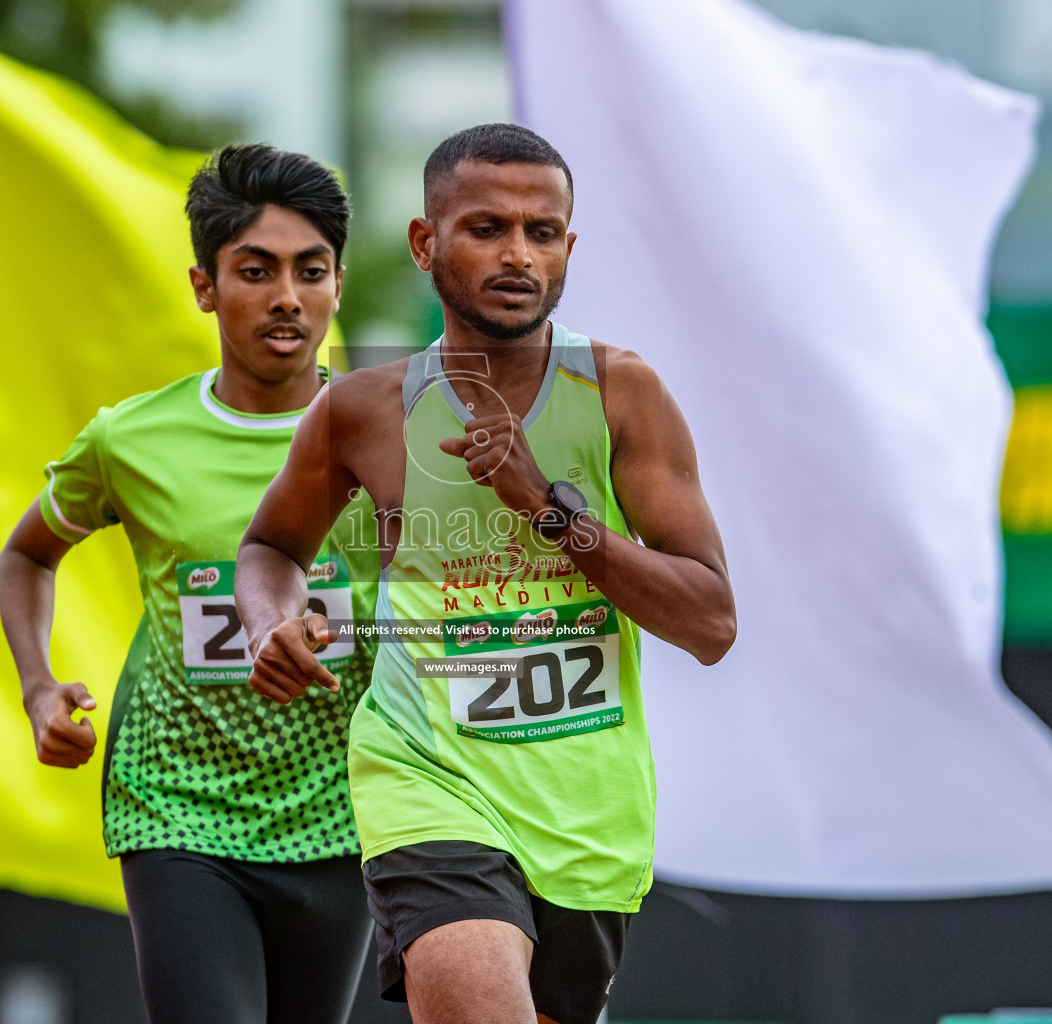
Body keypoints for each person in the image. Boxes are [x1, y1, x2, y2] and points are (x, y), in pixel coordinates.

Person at [235, 123, 737, 1024]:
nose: (518, 255)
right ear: (426, 243)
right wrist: (275, 614)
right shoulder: (363, 411)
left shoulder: (622, 394)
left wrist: (547, 505)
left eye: (542, 233)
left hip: (584, 807)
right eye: (487, 228)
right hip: (425, 778)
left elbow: (709, 623)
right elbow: (271, 546)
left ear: (569, 248)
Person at [0, 143, 378, 1024]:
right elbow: (27, 555)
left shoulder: (389, 436)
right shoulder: (130, 440)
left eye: (310, 271)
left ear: (338, 285)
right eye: (256, 270)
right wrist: (38, 685)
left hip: (341, 807)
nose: (287, 296)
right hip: (177, 805)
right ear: (205, 287)